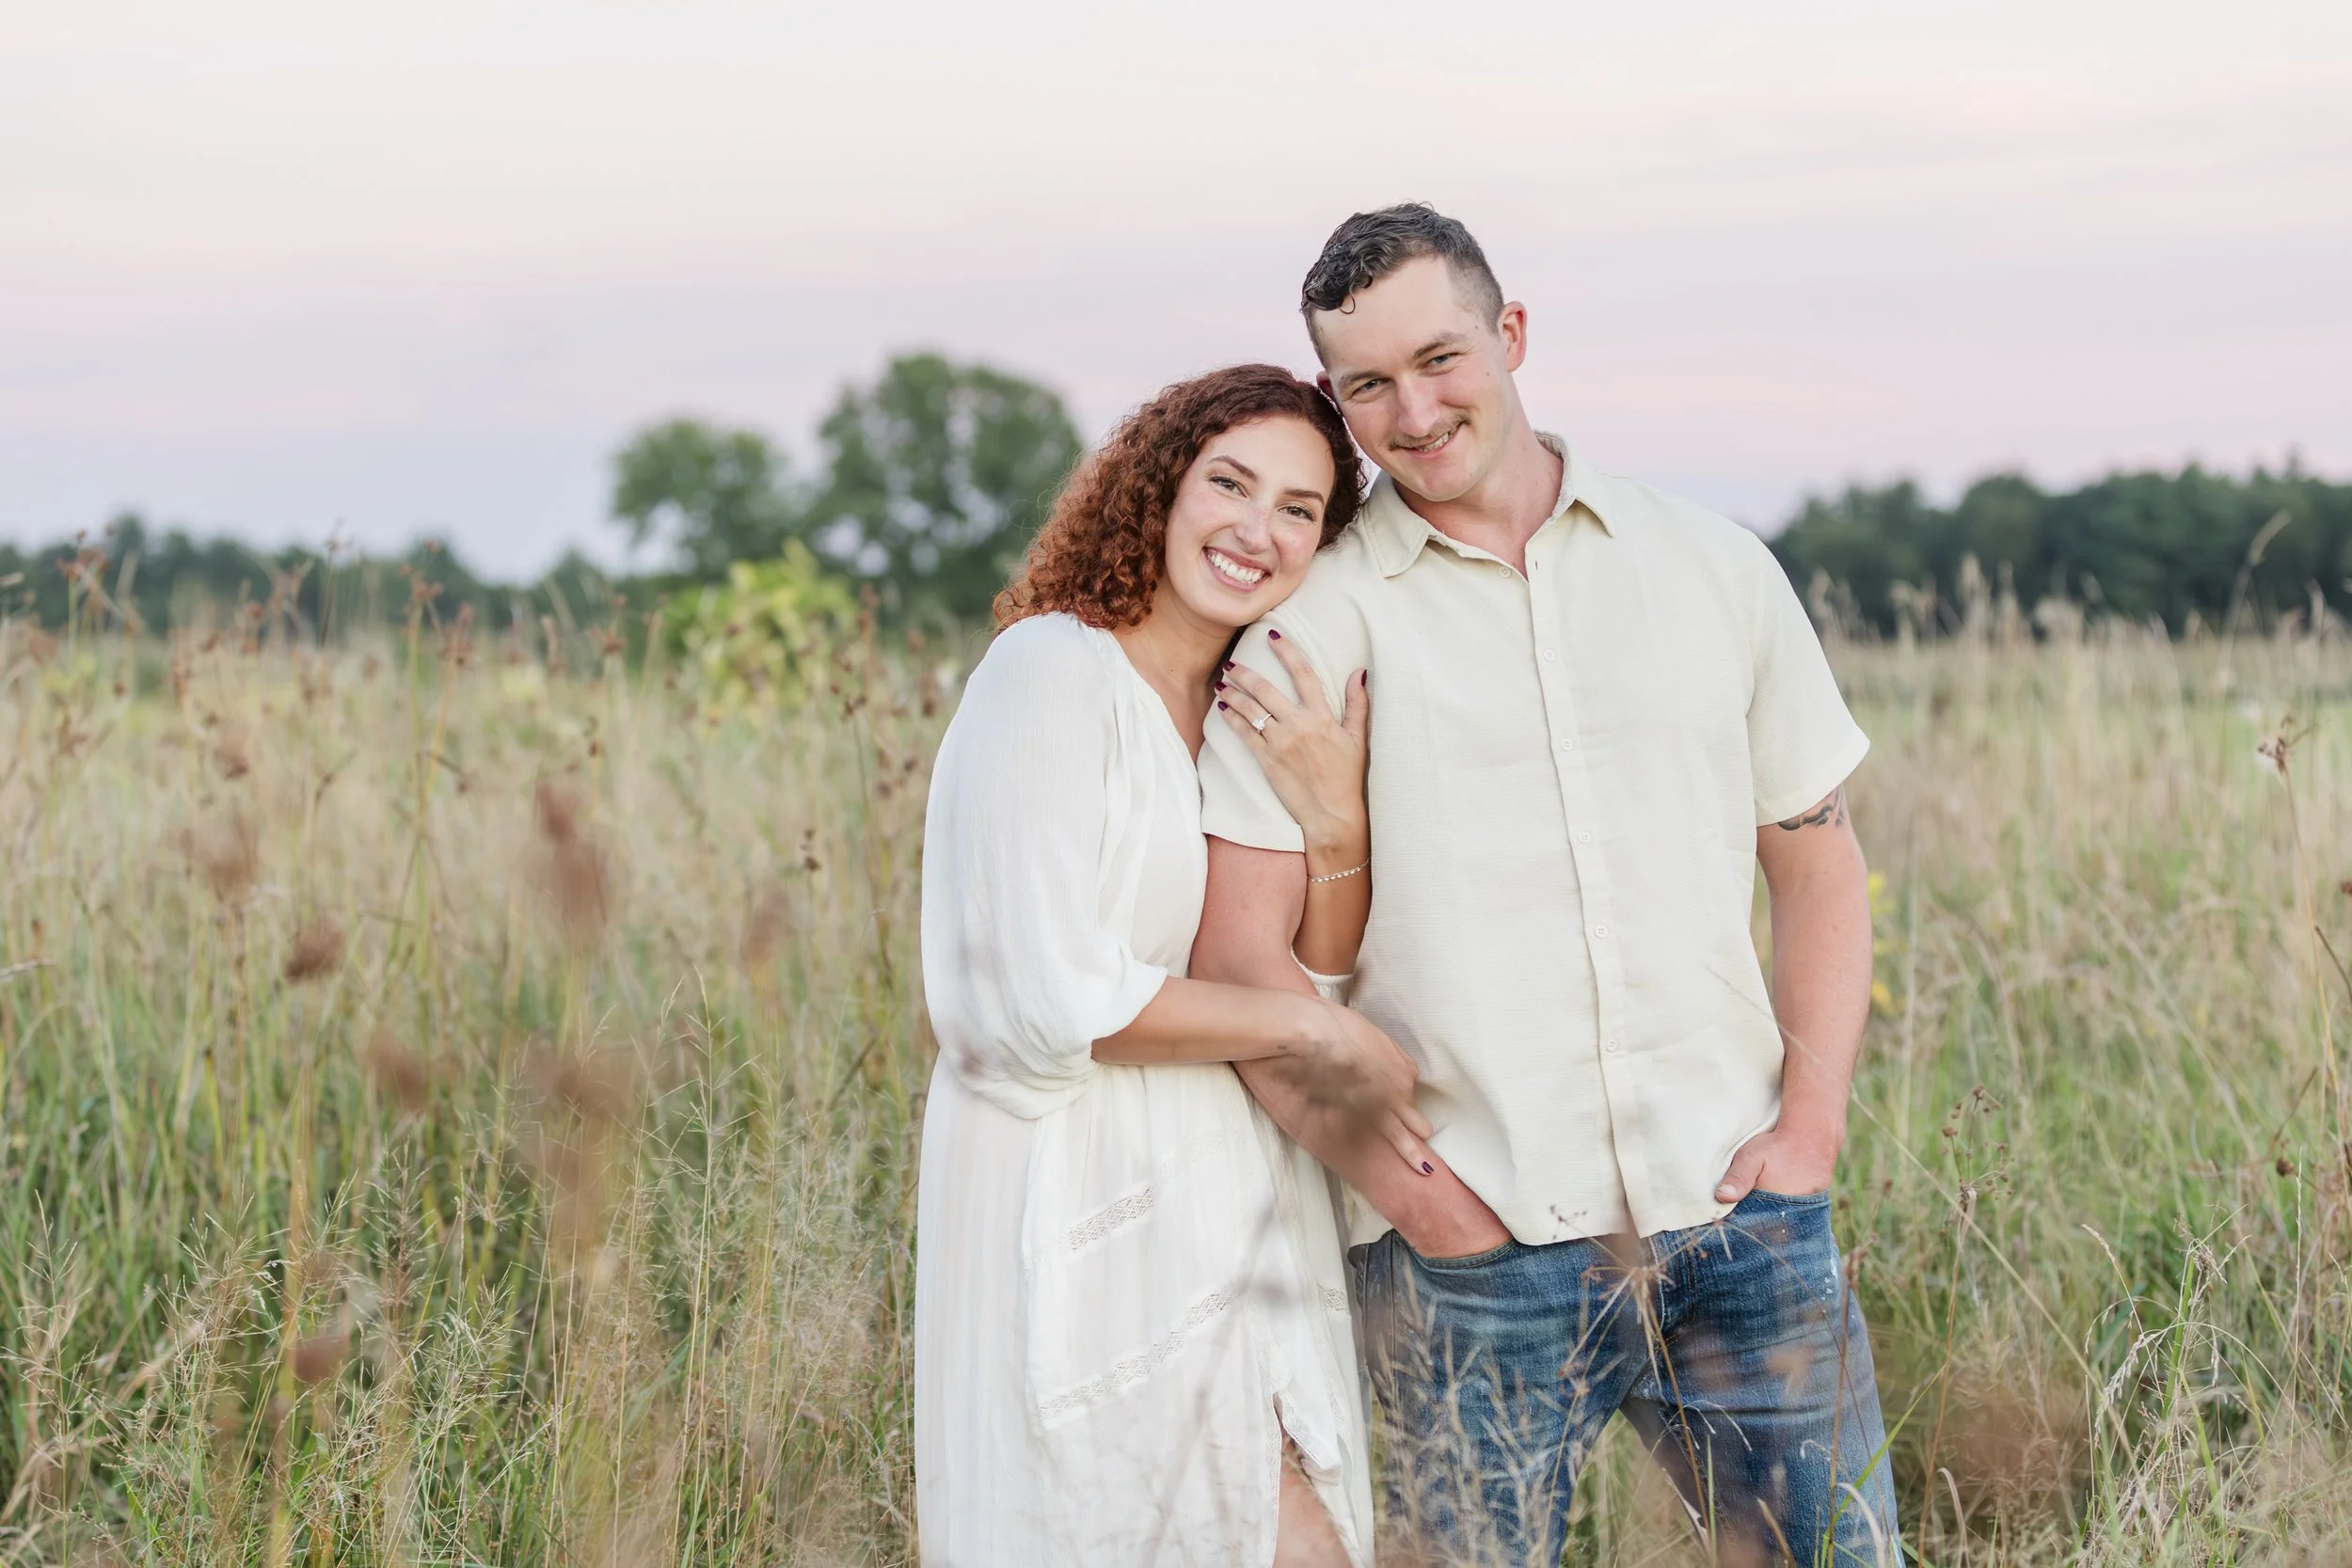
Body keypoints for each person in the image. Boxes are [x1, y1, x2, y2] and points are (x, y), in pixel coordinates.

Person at [1195, 205, 1902, 1565]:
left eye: (1442, 357)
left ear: (1512, 336)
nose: (1414, 409)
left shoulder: (1714, 568)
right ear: (1337, 402)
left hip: (1743, 1223)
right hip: (1472, 1260)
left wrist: (1805, 1134)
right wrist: (1422, 1200)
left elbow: (1816, 859)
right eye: (1368, 386)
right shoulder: (1313, 620)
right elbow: (1242, 958)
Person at [914, 364, 1450, 1567]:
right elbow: (1033, 997)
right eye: (1230, 483)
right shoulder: (1051, 671)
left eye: (1301, 510)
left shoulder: (1243, 700)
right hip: (1076, 1184)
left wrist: (1334, 825)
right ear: (1159, 486)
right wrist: (1306, 1038)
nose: (1257, 530)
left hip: (1233, 1185)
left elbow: (1315, 972)